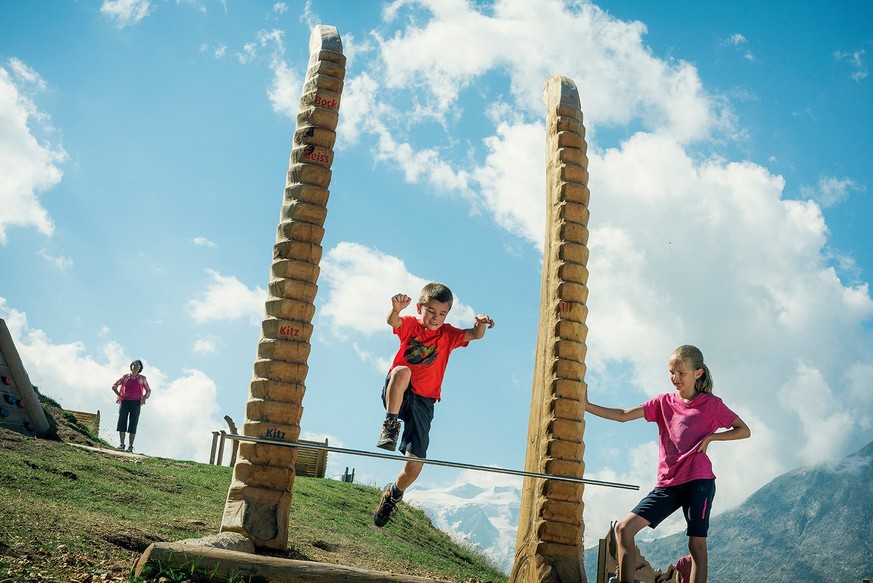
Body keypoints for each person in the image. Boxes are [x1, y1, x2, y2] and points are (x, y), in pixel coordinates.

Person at [586, 345, 750, 583]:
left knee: (697, 543)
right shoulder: (663, 403)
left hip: (699, 480)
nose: (675, 378)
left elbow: (743, 430)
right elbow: (623, 414)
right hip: (668, 485)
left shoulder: (712, 405)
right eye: (671, 373)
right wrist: (586, 406)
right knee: (624, 529)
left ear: (698, 373)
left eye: (681, 373)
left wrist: (712, 437)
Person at [373, 282, 494, 527]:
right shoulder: (411, 326)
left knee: (415, 466)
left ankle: (393, 494)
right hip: (399, 393)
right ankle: (390, 424)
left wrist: (481, 324)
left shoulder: (448, 335)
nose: (435, 318)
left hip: (425, 402)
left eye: (442, 314)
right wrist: (395, 310)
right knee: (402, 371)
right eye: (430, 311)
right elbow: (392, 322)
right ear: (419, 308)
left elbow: (475, 335)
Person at [111, 359, 151, 453]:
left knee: (133, 423)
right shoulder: (125, 377)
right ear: (131, 366)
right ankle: (122, 444)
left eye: (138, 365)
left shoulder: (142, 378)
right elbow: (114, 386)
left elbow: (148, 390)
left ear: (140, 368)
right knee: (122, 421)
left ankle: (130, 446)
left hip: (136, 403)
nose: (136, 366)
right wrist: (119, 395)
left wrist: (145, 397)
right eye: (134, 364)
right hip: (125, 401)